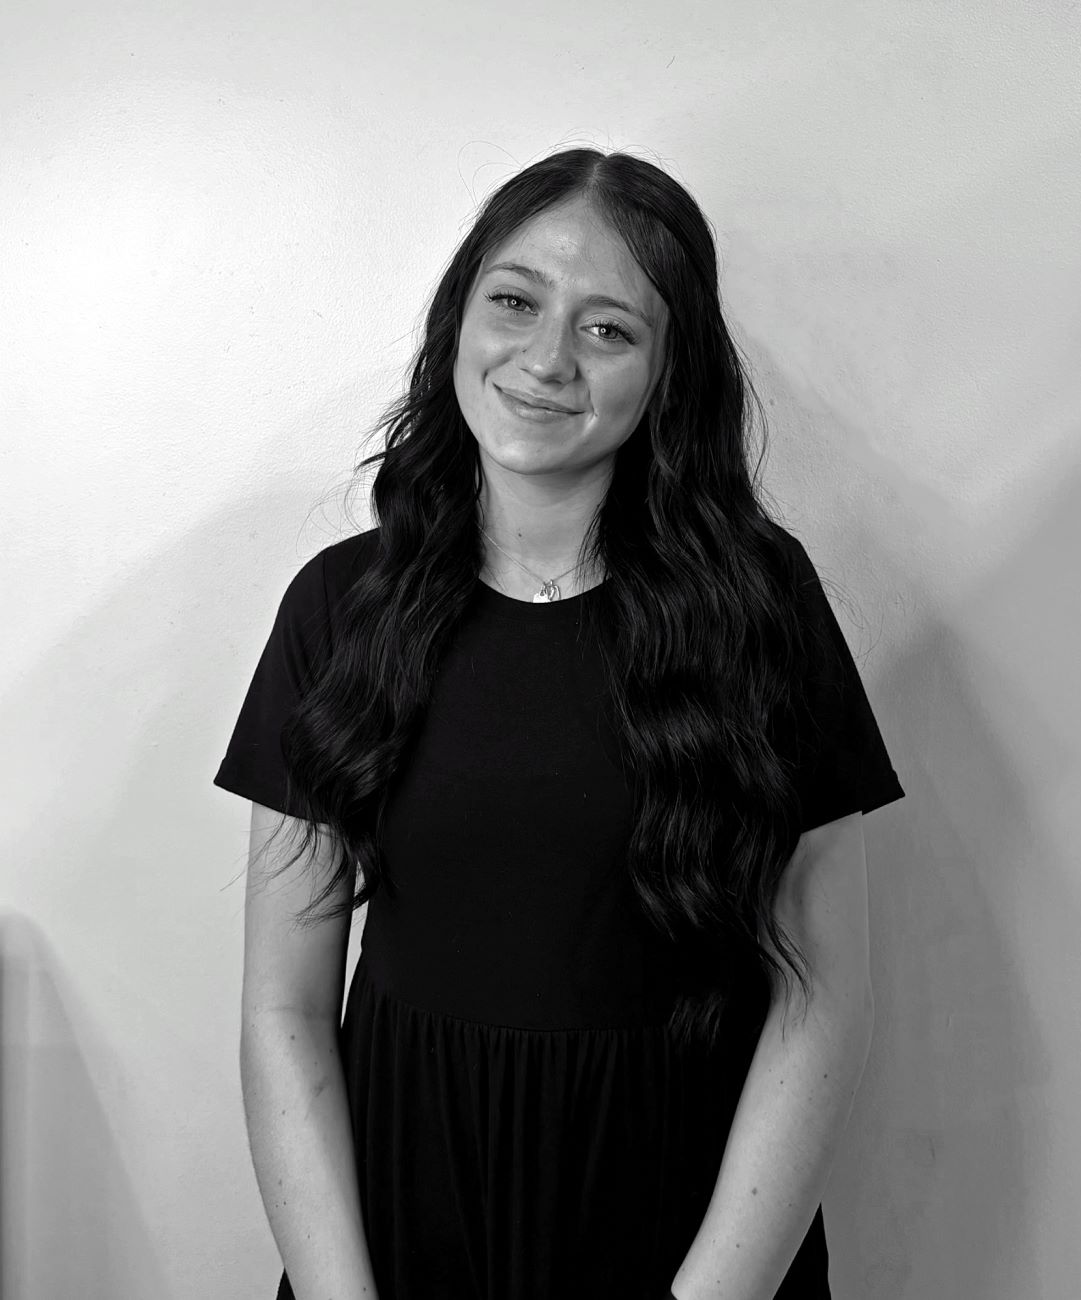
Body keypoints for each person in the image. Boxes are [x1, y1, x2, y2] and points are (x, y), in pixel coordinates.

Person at [214, 146, 905, 1300]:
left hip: (686, 1236)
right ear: (460, 319)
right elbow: (282, 1007)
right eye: (516, 302)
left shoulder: (760, 608)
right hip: (397, 1226)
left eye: (608, 329)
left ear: (668, 372)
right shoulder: (340, 607)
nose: (544, 358)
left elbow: (821, 994)